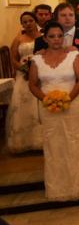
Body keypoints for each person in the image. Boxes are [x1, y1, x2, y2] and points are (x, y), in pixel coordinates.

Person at [28, 21, 79, 201]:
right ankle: (59, 189)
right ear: (45, 38)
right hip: (48, 107)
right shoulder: (37, 59)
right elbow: (33, 84)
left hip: (72, 104)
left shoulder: (74, 55)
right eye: (52, 36)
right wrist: (47, 99)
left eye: (59, 36)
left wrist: (68, 98)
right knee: (54, 144)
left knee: (74, 141)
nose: (56, 40)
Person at [34, 3, 79, 165]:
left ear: (75, 17)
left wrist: (78, 54)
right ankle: (60, 161)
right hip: (54, 91)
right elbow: (36, 67)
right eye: (63, 15)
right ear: (56, 18)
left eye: (71, 15)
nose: (67, 18)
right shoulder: (41, 40)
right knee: (57, 129)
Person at [5, 12, 42, 153]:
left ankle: (40, 139)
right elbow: (13, 59)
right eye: (25, 22)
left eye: (30, 21)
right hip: (24, 76)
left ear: (35, 21)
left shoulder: (43, 37)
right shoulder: (18, 39)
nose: (28, 24)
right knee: (24, 106)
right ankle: (23, 141)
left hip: (40, 75)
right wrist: (23, 68)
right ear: (22, 24)